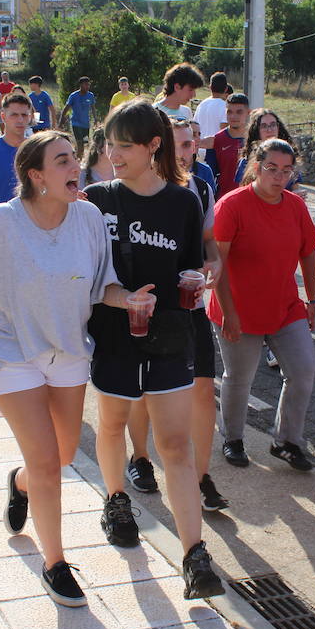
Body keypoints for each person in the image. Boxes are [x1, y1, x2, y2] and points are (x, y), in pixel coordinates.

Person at [0, 132, 137, 605]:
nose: (75, 165)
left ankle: (19, 484)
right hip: (9, 350)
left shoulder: (90, 217)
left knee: (55, 458)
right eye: (62, 160)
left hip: (70, 352)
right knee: (48, 464)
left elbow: (103, 285)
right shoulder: (0, 222)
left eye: (74, 157)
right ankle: (55, 564)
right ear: (36, 176)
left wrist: (131, 299)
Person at [83, 99, 225, 599]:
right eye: (109, 144)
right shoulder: (96, 200)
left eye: (124, 145)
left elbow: (196, 265)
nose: (113, 154)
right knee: (114, 423)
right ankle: (116, 499)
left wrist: (207, 275)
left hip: (170, 334)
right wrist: (119, 299)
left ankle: (195, 555)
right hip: (115, 334)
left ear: (152, 146)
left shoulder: (184, 202)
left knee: (175, 446)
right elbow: (87, 279)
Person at [123, 117, 228, 511]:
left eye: (192, 143)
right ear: (159, 146)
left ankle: (200, 475)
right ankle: (140, 458)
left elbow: (209, 245)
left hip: (190, 306)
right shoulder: (136, 189)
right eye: (180, 144)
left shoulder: (200, 187)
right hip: (145, 306)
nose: (188, 151)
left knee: (203, 389)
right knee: (141, 389)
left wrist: (213, 265)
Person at [209, 139, 315, 471]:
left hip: (285, 306)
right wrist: (229, 313)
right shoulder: (232, 205)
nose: (280, 176)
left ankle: (286, 441)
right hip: (237, 310)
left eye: (287, 170)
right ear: (256, 167)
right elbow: (218, 265)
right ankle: (232, 439)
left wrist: (312, 299)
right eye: (272, 168)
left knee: (303, 371)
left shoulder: (296, 206)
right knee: (240, 378)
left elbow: (309, 253)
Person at [235, 109, 297, 190]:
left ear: (278, 127)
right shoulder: (245, 162)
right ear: (257, 130)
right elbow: (242, 192)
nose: (269, 130)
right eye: (264, 126)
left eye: (273, 125)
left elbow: (295, 187)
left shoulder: (289, 156)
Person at [205, 94, 250, 198]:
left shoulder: (256, 139)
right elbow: (211, 174)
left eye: (239, 112)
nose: (233, 116)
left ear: (248, 113)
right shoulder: (217, 139)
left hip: (251, 200)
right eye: (229, 112)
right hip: (225, 199)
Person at [154, 62, 204, 141]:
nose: (193, 95)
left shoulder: (187, 111)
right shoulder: (154, 112)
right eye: (190, 89)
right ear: (177, 87)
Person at [59, 76, 96, 154]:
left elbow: (93, 108)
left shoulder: (90, 95)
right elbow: (66, 109)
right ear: (81, 85)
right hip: (76, 123)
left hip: (86, 124)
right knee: (80, 144)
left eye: (88, 85)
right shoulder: (73, 96)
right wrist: (61, 121)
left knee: (85, 144)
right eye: (86, 85)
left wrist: (95, 120)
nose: (87, 87)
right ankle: (79, 163)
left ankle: (76, 156)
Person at [193, 72, 229, 142]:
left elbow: (194, 126)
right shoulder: (225, 106)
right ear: (226, 89)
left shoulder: (201, 105)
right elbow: (224, 130)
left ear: (210, 87)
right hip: (215, 147)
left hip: (200, 146)